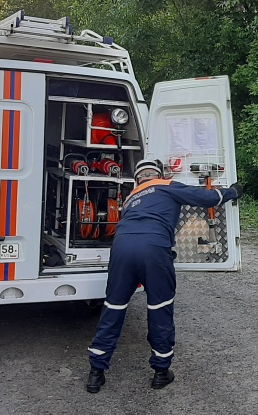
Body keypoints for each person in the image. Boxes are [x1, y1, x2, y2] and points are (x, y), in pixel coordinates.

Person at [85, 158, 243, 393]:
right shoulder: (167, 186)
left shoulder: (131, 198)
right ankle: (161, 372)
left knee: (114, 307)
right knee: (159, 307)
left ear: (138, 178)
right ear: (158, 174)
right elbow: (209, 198)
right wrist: (233, 191)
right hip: (154, 248)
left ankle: (96, 373)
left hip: (121, 249)